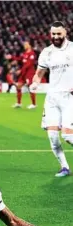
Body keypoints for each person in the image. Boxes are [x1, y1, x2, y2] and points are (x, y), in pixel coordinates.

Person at [30, 21, 73, 177]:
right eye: (53, 34)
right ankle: (64, 167)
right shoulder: (46, 52)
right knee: (53, 137)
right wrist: (35, 83)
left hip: (69, 98)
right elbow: (39, 73)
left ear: (65, 33)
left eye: (58, 34)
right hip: (52, 98)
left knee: (68, 135)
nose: (55, 37)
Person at [12, 42, 37, 109]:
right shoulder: (25, 53)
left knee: (31, 88)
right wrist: (12, 57)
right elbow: (19, 59)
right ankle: (19, 103)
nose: (24, 46)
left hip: (29, 73)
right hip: (24, 73)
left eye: (26, 44)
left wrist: (20, 70)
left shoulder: (32, 54)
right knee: (18, 86)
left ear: (30, 45)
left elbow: (28, 64)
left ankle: (34, 104)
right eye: (24, 45)